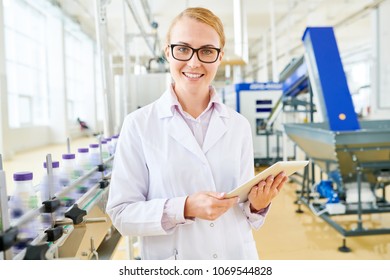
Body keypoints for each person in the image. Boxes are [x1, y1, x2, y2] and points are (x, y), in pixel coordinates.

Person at [106, 7, 288, 260]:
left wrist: (259, 203)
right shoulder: (138, 125)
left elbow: (245, 207)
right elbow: (122, 215)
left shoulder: (238, 125)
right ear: (167, 52)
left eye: (206, 51)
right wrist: (185, 207)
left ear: (220, 56)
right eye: (182, 49)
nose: (194, 62)